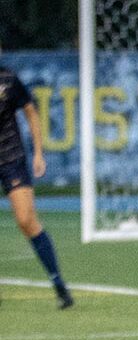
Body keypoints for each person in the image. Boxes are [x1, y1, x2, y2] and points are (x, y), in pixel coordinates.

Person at [0, 50, 73, 309]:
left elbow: (30, 111)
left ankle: (59, 284)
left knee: (26, 220)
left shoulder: (8, 79)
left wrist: (38, 152)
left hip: (11, 159)